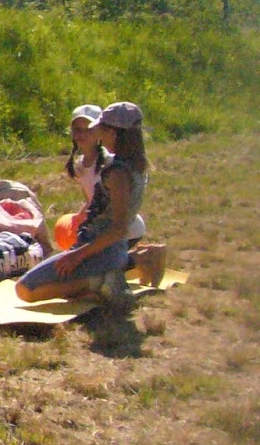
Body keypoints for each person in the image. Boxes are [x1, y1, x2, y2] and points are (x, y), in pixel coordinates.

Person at [17, 102, 151, 305]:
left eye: (101, 129)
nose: (99, 135)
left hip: (101, 251)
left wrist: (77, 256)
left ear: (113, 133)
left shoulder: (118, 173)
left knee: (25, 289)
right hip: (100, 247)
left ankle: (99, 281)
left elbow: (119, 229)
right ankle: (101, 281)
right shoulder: (134, 165)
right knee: (32, 286)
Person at [56, 103, 167, 286]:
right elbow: (94, 200)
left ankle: (143, 258)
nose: (82, 135)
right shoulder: (80, 165)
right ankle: (137, 258)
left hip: (122, 229)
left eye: (88, 129)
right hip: (104, 228)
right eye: (77, 130)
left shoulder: (112, 165)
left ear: (102, 132)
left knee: (83, 273)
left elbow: (118, 215)